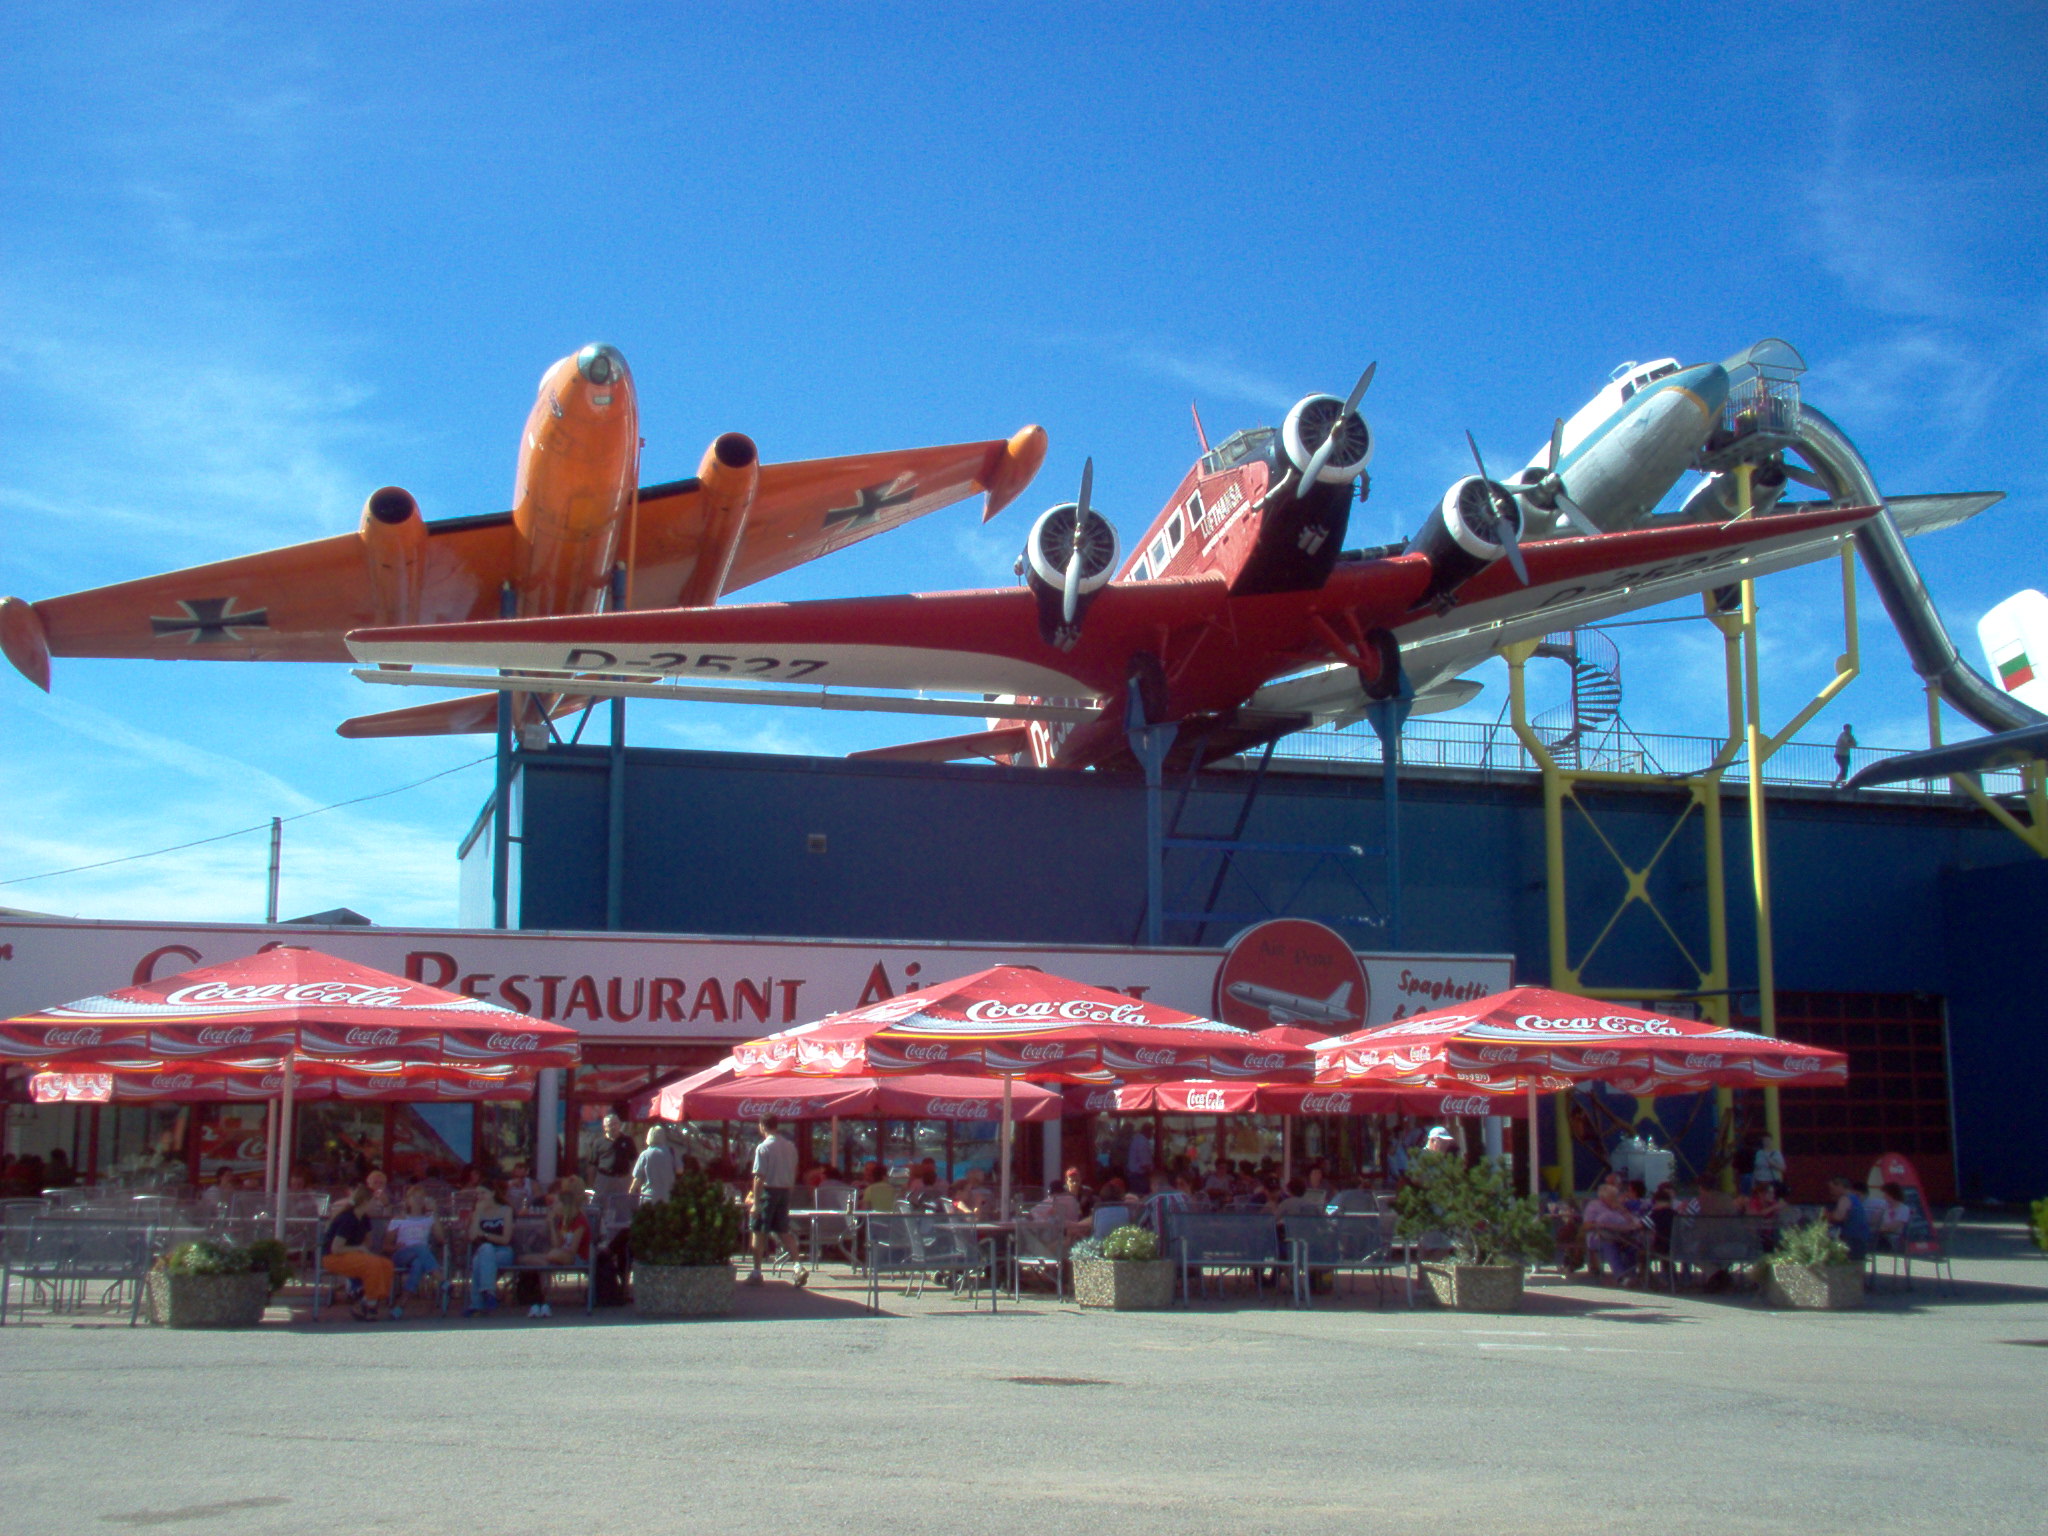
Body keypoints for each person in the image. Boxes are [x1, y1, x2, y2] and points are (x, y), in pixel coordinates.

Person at [746, 1115, 805, 1287]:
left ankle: (756, 1272)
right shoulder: (790, 1146)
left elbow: (759, 1177)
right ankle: (798, 1266)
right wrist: (789, 1190)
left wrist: (756, 1203)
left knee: (758, 1231)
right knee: (783, 1230)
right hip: (785, 1191)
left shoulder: (763, 1147)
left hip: (768, 1192)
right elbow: (794, 1171)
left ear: (762, 1126)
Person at [321, 1185, 396, 1321]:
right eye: (374, 1201)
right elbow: (336, 1248)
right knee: (372, 1265)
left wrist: (363, 1249)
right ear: (365, 1202)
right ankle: (370, 1305)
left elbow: (368, 1241)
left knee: (386, 1265)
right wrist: (359, 1249)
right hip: (333, 1257)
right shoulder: (347, 1219)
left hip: (353, 1255)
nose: (376, 1204)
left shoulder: (364, 1218)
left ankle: (367, 1300)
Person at [521, 1177, 592, 1318]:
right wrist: (552, 1225)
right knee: (525, 1258)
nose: (552, 1207)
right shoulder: (561, 1222)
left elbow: (572, 1250)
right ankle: (543, 1301)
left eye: (556, 1204)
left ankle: (541, 1301)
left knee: (551, 1255)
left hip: (576, 1257)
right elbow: (556, 1245)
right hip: (558, 1255)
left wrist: (554, 1253)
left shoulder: (580, 1221)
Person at [463, 1179, 517, 1317]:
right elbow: (472, 1237)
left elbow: (505, 1239)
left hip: (503, 1252)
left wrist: (485, 1235)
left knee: (481, 1257)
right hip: (483, 1252)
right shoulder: (477, 1212)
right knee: (483, 1252)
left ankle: (476, 1304)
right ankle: (489, 1293)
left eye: (483, 1193)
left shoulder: (506, 1210)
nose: (479, 1197)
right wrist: (477, 1215)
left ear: (493, 1193)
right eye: (477, 1194)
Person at [386, 1184, 443, 1309]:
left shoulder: (429, 1219)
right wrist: (396, 1247)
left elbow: (441, 1239)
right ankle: (440, 1279)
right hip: (402, 1255)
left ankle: (401, 1304)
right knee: (421, 1247)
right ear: (407, 1200)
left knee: (418, 1263)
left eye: (421, 1197)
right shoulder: (399, 1219)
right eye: (414, 1197)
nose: (418, 1200)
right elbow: (386, 1246)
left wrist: (435, 1213)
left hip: (421, 1256)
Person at [1580, 1181, 1645, 1285]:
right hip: (1597, 1237)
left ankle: (1631, 1275)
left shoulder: (1618, 1205)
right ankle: (1621, 1277)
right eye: (1613, 1197)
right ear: (1603, 1198)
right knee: (1608, 1245)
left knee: (1632, 1246)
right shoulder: (1594, 1206)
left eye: (1616, 1196)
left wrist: (1622, 1209)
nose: (1616, 1199)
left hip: (1620, 1235)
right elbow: (1586, 1226)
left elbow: (1632, 1221)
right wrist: (1603, 1225)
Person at [1825, 1175, 1872, 1262]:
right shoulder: (1855, 1199)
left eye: (1832, 1188)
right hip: (1861, 1240)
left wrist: (1826, 1214)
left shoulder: (1845, 1198)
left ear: (1840, 1186)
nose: (1831, 1192)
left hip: (1851, 1240)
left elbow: (1838, 1217)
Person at [590, 1113, 636, 1198]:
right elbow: (592, 1165)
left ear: (619, 1125)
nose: (613, 1127)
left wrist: (632, 1178)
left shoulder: (628, 1140)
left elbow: (634, 1160)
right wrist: (591, 1183)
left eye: (615, 1124)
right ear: (605, 1127)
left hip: (623, 1179)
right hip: (604, 1179)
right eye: (610, 1125)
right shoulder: (598, 1143)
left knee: (621, 1202)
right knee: (601, 1202)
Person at [629, 1125, 677, 1206]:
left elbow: (637, 1177)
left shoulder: (645, 1154)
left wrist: (631, 1191)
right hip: (666, 1196)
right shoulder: (671, 1153)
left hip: (648, 1196)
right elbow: (680, 1170)